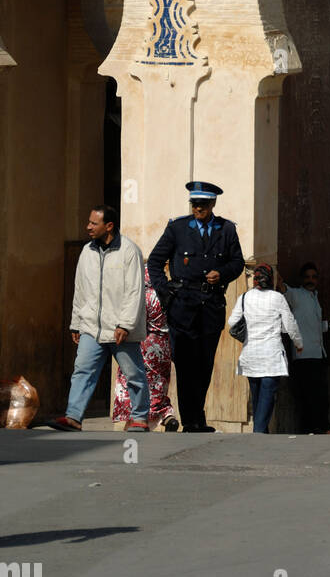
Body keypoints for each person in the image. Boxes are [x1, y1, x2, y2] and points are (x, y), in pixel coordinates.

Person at [147, 180, 245, 433]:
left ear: (212, 204)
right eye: (194, 204)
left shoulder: (226, 230)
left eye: (202, 205)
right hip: (182, 306)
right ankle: (190, 419)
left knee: (204, 363)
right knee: (185, 362)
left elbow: (237, 263)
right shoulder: (178, 228)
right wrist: (165, 291)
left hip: (210, 305)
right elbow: (155, 261)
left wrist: (221, 274)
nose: (197, 209)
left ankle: (197, 417)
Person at [50, 205, 150, 433]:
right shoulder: (87, 251)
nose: (88, 227)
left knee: (133, 373)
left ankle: (139, 417)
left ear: (109, 226)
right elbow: (80, 289)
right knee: (82, 371)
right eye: (89, 222)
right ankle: (74, 416)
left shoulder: (129, 251)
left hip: (120, 329)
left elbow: (135, 291)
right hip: (91, 327)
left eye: (93, 223)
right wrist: (76, 322)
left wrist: (125, 323)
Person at [228, 264, 303, 434]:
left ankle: (261, 432)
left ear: (255, 279)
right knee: (267, 397)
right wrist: (299, 344)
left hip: (250, 355)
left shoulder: (244, 297)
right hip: (271, 356)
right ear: (271, 279)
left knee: (257, 398)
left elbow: (232, 322)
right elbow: (291, 325)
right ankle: (259, 432)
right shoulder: (278, 298)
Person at [112, 266, 177, 432]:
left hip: (142, 345)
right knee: (158, 383)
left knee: (134, 380)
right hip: (162, 345)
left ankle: (136, 418)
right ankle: (165, 414)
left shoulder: (141, 297)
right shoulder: (166, 293)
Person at [285, 262, 330, 433]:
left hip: (318, 353)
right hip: (303, 355)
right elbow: (282, 288)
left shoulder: (314, 297)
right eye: (307, 277)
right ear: (301, 279)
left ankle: (320, 425)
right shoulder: (297, 295)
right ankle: (312, 427)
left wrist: (329, 325)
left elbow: (313, 325)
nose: (310, 280)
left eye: (314, 277)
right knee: (308, 395)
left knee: (320, 394)